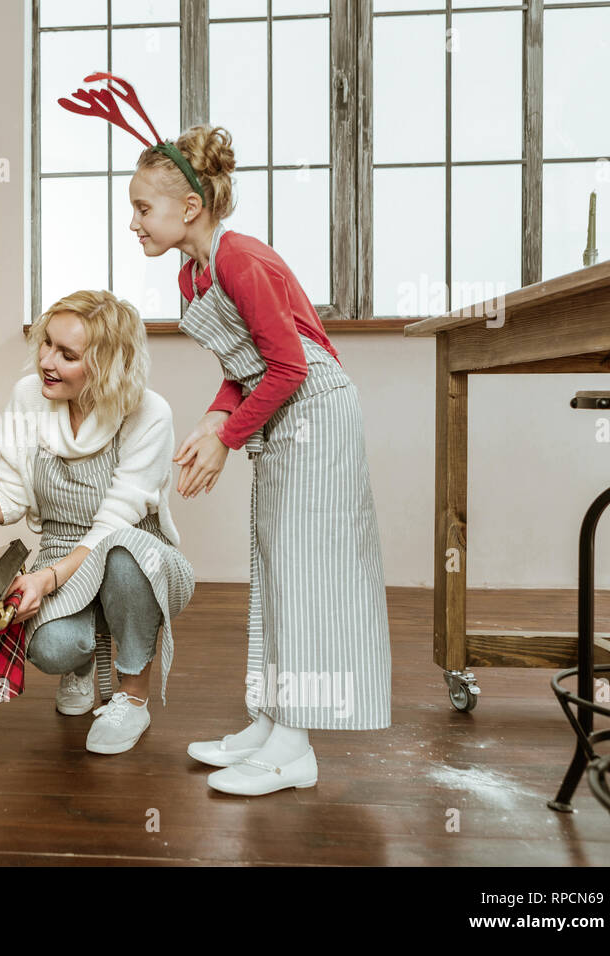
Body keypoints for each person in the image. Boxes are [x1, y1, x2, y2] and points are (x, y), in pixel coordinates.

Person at [127, 122, 393, 795]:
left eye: (141, 207)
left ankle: (294, 751)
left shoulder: (240, 259)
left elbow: (291, 366)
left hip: (316, 413)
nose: (133, 223)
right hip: (283, 409)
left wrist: (227, 437)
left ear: (190, 207)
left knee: (302, 576)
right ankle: (272, 722)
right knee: (275, 567)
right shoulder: (195, 274)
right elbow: (246, 367)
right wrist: (219, 417)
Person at [0, 289, 195, 754]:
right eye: (46, 343)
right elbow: (12, 496)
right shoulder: (29, 398)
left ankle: (132, 699)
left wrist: (44, 580)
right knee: (51, 647)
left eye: (67, 354)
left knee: (120, 553)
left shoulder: (148, 413)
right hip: (61, 547)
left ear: (106, 366)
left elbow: (108, 530)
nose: (46, 362)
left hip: (137, 555)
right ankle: (80, 664)